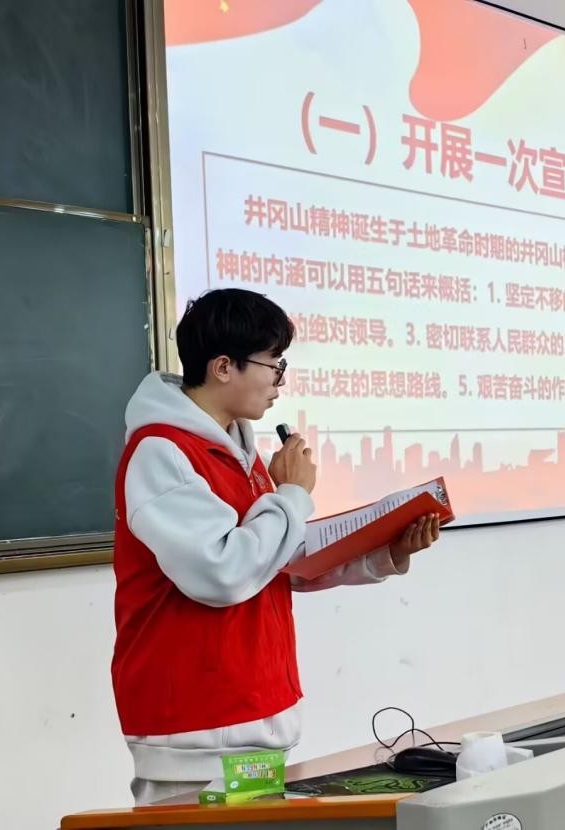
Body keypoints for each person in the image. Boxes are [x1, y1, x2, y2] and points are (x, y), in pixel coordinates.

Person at [111, 288, 440, 804]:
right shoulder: (162, 451)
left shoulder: (239, 451)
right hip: (197, 725)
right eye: (274, 366)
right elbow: (221, 572)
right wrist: (290, 496)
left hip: (253, 711)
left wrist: (387, 551)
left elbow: (278, 563)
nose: (279, 383)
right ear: (224, 367)